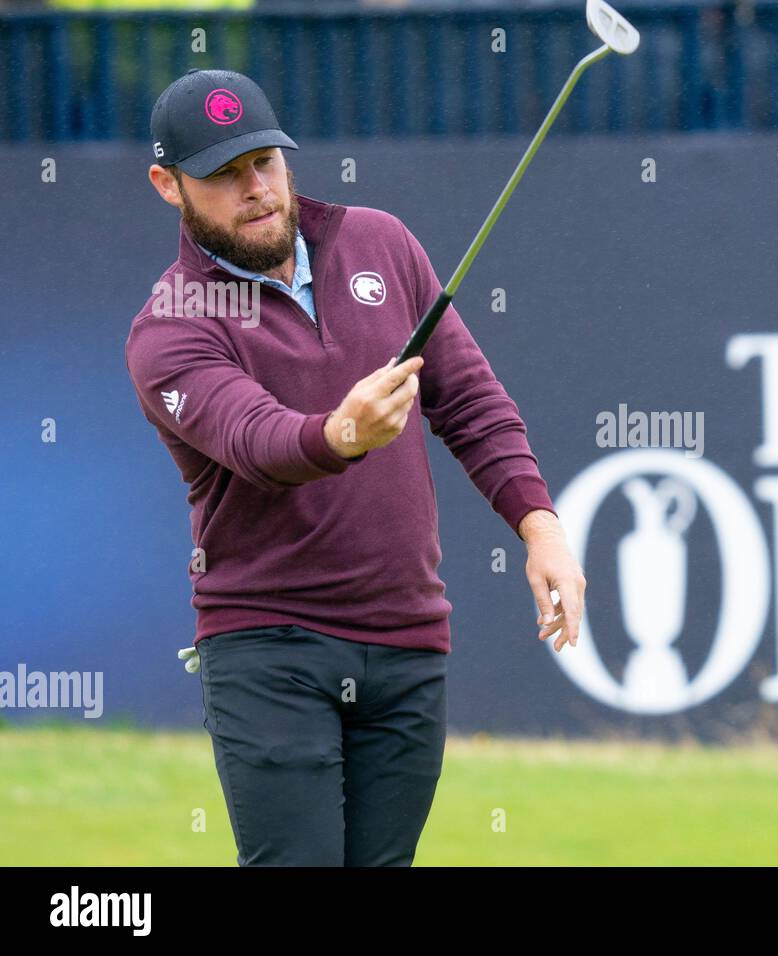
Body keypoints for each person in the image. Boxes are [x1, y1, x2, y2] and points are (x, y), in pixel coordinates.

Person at [124, 68, 586, 866]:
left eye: (264, 161)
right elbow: (258, 443)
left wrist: (539, 527)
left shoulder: (381, 243)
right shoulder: (168, 329)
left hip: (409, 639)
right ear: (169, 185)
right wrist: (341, 433)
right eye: (224, 176)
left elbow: (471, 402)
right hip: (269, 648)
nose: (256, 189)